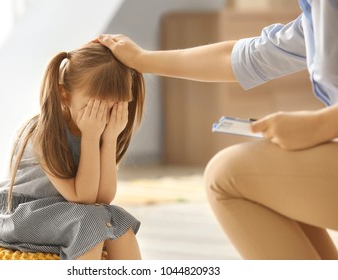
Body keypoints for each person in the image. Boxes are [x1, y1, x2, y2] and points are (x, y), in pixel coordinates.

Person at [97, 0, 338, 259]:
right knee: (271, 175)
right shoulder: (317, 14)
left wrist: (318, 125)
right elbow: (249, 56)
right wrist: (142, 60)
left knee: (226, 177)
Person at [0, 42, 145, 260]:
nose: (103, 118)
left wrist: (109, 139)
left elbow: (103, 197)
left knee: (120, 222)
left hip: (63, 210)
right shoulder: (43, 132)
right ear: (64, 95)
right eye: (94, 108)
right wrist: (91, 137)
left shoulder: (98, 128)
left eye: (114, 109)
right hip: (17, 214)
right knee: (89, 224)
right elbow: (84, 199)